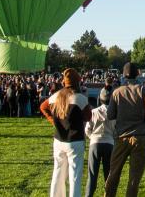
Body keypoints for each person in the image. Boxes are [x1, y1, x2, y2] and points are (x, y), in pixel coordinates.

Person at [105, 63, 145, 197]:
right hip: (140, 136)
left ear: (123, 75)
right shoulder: (143, 90)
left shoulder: (117, 92)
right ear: (138, 74)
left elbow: (110, 115)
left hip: (121, 137)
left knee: (113, 173)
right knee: (134, 178)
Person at [39, 68, 91, 197]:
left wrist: (54, 121)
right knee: (75, 175)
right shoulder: (80, 98)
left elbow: (43, 107)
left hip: (58, 140)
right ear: (77, 82)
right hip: (75, 141)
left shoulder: (56, 96)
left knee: (58, 172)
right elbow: (88, 117)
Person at [84, 90, 115, 197]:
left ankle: (89, 195)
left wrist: (92, 137)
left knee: (92, 175)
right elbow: (116, 131)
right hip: (109, 143)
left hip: (95, 143)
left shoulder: (94, 112)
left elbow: (87, 129)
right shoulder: (114, 114)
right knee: (108, 175)